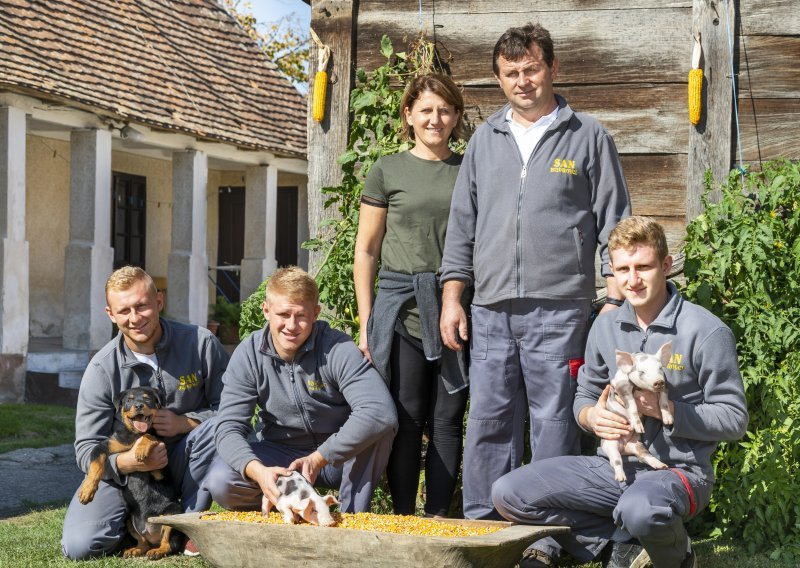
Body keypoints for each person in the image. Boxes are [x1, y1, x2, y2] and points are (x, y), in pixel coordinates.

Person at [439, 22, 631, 520]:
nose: (522, 81)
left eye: (531, 69)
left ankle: (545, 534)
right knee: (487, 420)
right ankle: (484, 527)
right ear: (500, 80)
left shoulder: (587, 136)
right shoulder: (485, 139)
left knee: (553, 423)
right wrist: (453, 298)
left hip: (561, 308)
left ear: (552, 69)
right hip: (491, 307)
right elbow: (462, 226)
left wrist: (612, 301)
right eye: (510, 73)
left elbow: (616, 223)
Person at [491, 216, 749, 568]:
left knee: (640, 508)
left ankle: (678, 555)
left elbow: (734, 420)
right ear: (611, 270)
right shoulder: (606, 326)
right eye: (623, 269)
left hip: (679, 473)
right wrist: (592, 418)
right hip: (613, 467)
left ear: (666, 265)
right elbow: (583, 398)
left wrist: (664, 410)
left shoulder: (704, 331)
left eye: (643, 267)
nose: (633, 279)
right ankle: (622, 541)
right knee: (509, 494)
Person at [353, 73, 470, 517]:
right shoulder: (388, 169)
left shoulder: (469, 168)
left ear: (456, 115)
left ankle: (438, 514)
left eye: (444, 110)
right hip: (400, 312)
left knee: (447, 419)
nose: (435, 119)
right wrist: (367, 323)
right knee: (405, 420)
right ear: (408, 115)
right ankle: (403, 515)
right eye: (425, 110)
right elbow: (366, 251)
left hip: (455, 308)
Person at [61, 266, 229, 560]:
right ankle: (135, 527)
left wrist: (185, 422)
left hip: (186, 460)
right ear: (111, 314)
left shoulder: (200, 344)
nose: (135, 318)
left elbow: (231, 409)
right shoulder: (102, 369)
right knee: (80, 545)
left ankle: (190, 525)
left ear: (159, 302)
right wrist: (128, 462)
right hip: (127, 476)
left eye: (142, 306)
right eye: (124, 310)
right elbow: (86, 447)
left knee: (213, 431)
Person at [205, 266, 397, 514]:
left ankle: (350, 517)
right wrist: (259, 472)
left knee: (379, 430)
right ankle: (289, 504)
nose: (291, 326)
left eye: (301, 316)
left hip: (338, 457)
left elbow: (380, 411)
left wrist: (320, 456)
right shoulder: (249, 354)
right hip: (282, 456)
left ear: (316, 313)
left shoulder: (337, 348)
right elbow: (228, 427)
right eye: (283, 314)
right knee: (221, 480)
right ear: (266, 311)